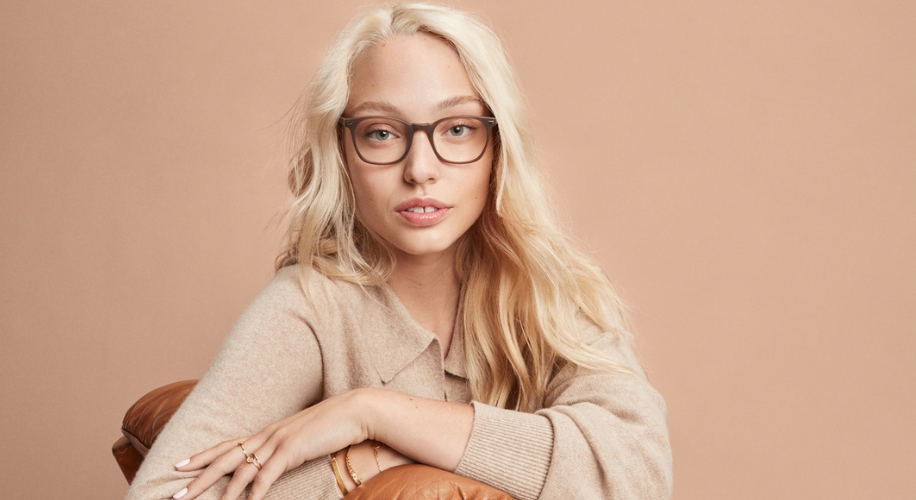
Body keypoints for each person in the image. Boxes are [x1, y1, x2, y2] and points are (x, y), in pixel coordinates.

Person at [126, 3, 672, 500]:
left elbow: (638, 472)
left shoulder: (549, 290)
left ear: (497, 149)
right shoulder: (312, 306)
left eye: (457, 129)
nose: (420, 169)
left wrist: (377, 415)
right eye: (382, 133)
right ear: (342, 153)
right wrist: (358, 468)